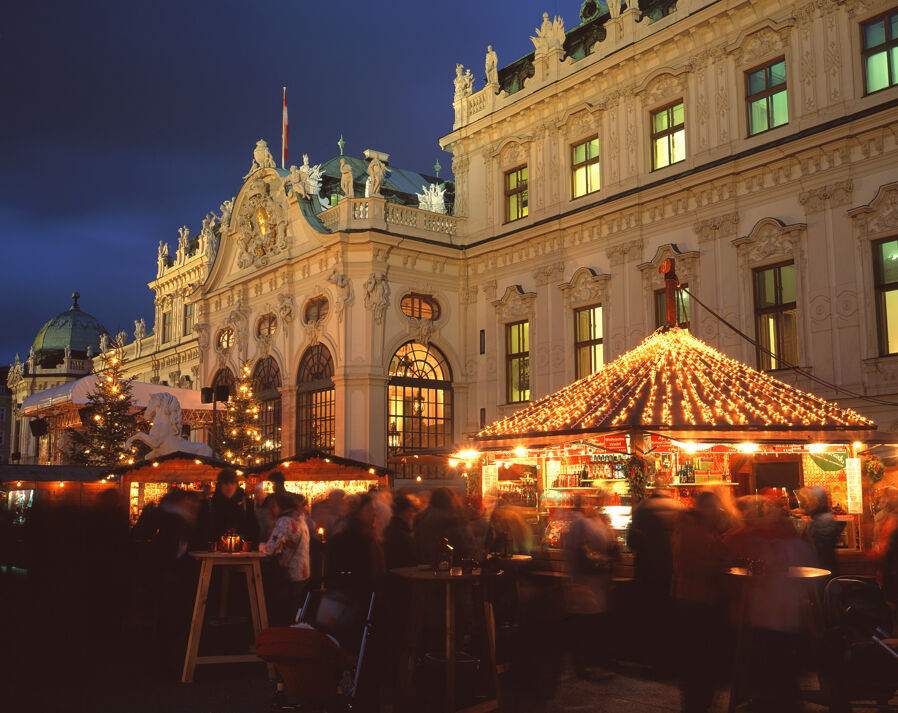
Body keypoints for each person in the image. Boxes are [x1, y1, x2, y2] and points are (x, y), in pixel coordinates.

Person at [671, 491, 730, 713]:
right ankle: (696, 703)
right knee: (698, 657)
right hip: (696, 599)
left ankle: (698, 700)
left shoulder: (695, 526)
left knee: (698, 656)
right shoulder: (693, 528)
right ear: (707, 508)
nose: (718, 512)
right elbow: (695, 563)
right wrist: (720, 564)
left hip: (693, 597)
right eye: (715, 507)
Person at [627, 488, 684, 670]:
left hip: (647, 569)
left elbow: (631, 540)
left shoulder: (643, 509)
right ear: (668, 491)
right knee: (671, 614)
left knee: (650, 612)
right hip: (672, 569)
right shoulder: (679, 507)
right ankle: (672, 657)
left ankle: (652, 656)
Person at [561, 495, 617, 679]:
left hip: (583, 580)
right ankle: (596, 659)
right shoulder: (600, 524)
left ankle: (582, 662)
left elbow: (570, 552)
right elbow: (612, 546)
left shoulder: (579, 525)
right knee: (595, 621)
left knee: (582, 623)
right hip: (598, 580)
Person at [260, 494, 310, 626]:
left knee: (282, 614)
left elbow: (272, 548)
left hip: (288, 574)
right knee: (292, 613)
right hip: (302, 572)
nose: (272, 510)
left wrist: (261, 546)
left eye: (274, 506)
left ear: (282, 506)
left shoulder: (285, 522)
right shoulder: (300, 520)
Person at [799, 485, 844, 576]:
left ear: (817, 501)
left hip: (822, 573)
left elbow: (821, 554)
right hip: (823, 572)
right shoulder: (820, 517)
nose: (806, 503)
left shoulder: (823, 520)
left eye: (810, 500)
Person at [207, 468, 257, 543]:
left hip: (242, 551)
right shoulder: (211, 505)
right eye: (226, 483)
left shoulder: (246, 503)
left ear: (236, 485)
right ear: (220, 485)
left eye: (232, 483)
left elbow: (253, 530)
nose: (229, 487)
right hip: (216, 551)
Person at [383, 494, 418, 570]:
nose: (412, 515)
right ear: (405, 512)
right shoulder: (402, 534)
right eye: (410, 511)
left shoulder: (389, 529)